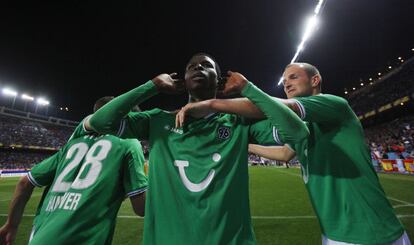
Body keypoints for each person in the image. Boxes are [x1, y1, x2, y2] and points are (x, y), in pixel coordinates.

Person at [82, 53, 308, 244]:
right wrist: (153, 86)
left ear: (219, 81)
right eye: (191, 66)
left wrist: (247, 89)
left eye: (206, 65)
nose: (198, 67)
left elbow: (297, 132)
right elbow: (99, 122)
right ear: (184, 80)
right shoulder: (158, 121)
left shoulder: (238, 122)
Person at [177, 63, 410, 245]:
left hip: (367, 228)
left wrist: (215, 103)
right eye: (285, 80)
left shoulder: (334, 105)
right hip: (335, 229)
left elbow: (277, 107)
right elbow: (285, 153)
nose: (287, 84)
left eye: (294, 77)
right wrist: (242, 144)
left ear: (315, 80)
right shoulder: (303, 124)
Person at [0, 96, 148, 245]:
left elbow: (25, 182)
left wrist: (11, 225)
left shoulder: (72, 144)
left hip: (41, 238)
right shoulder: (130, 143)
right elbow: (141, 208)